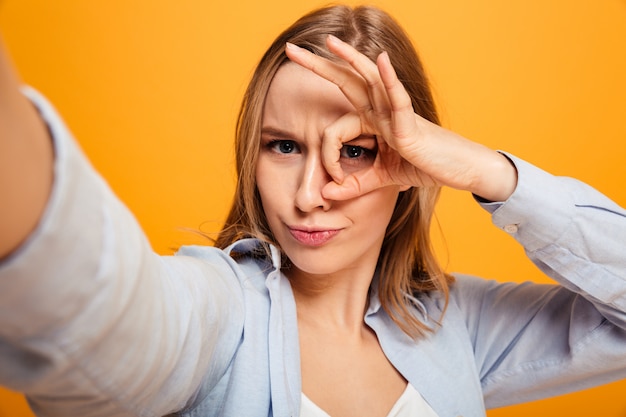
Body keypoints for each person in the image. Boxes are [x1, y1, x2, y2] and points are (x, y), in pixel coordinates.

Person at [1, 4, 625, 417]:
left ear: (414, 162)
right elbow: (102, 328)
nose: (308, 194)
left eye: (356, 150)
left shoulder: (456, 329)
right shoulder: (222, 311)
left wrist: (492, 173)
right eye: (283, 146)